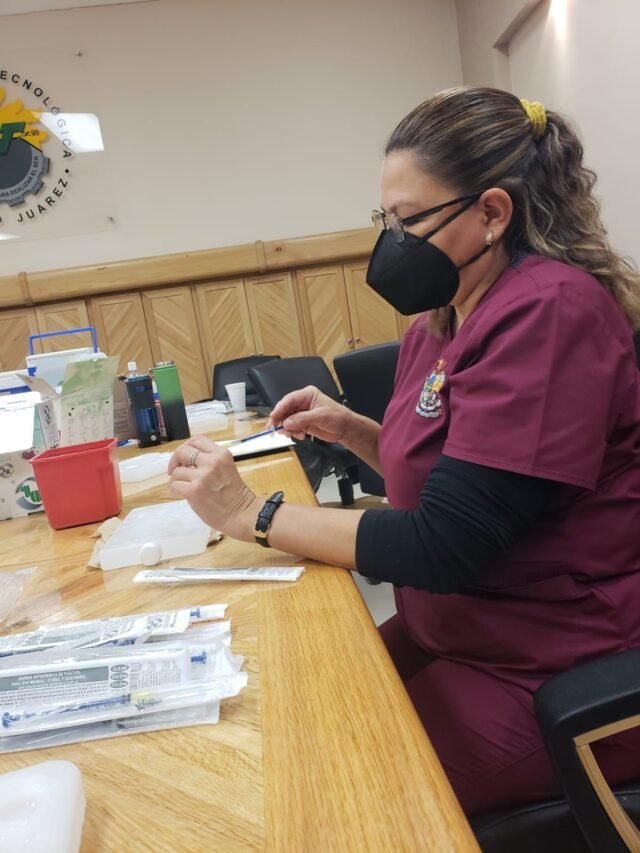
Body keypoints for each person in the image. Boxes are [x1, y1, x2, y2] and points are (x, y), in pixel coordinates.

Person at [168, 87, 640, 816]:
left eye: (410, 219)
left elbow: (445, 541)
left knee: (332, 797)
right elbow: (456, 479)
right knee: (291, 709)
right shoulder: (442, 319)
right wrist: (355, 430)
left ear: (492, 213)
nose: (392, 241)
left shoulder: (548, 311)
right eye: (384, 220)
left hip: (557, 658)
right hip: (464, 627)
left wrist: (250, 513)